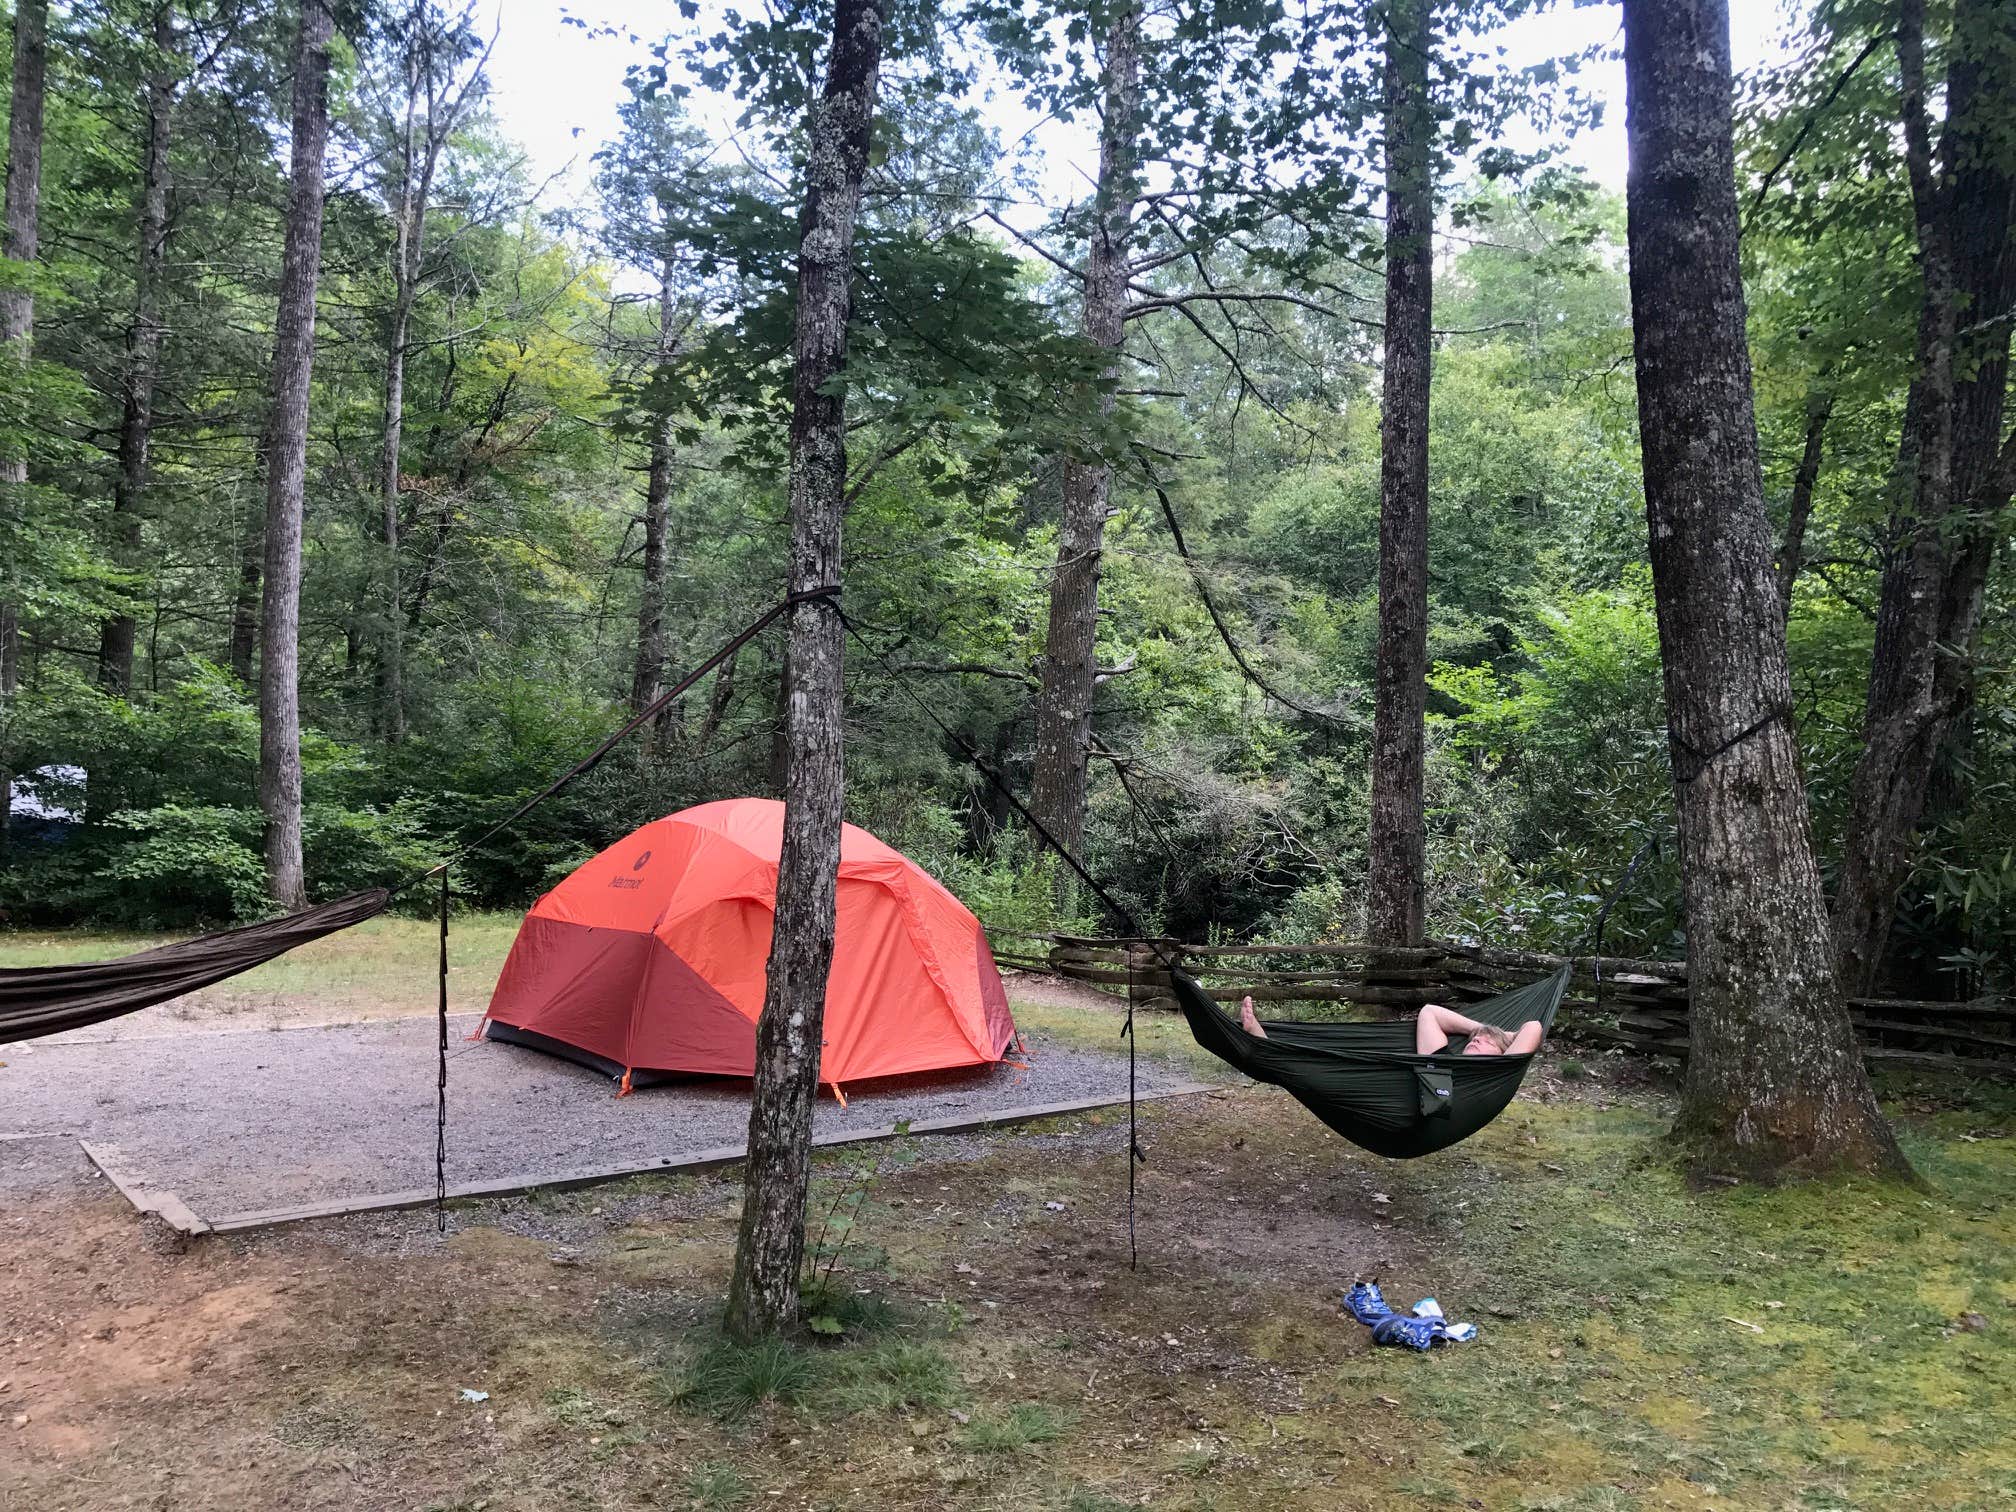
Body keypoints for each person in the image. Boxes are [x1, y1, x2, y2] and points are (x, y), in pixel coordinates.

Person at [1237, 995, 1544, 1056]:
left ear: (1505, 1051)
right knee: (1332, 1055)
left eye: (1485, 1044)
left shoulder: (1500, 1072)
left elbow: (1533, 1025)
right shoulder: (1439, 1058)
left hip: (1417, 1109)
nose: (1475, 1042)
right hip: (1399, 1087)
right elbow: (1430, 1012)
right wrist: (1479, 1030)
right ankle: (1267, 1043)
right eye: (1475, 1041)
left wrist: (1499, 1037)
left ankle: (1266, 1046)